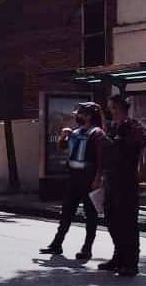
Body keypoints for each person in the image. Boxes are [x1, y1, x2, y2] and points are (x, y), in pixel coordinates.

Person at [40, 102, 105, 260]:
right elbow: (62, 147)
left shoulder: (97, 133)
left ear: (89, 116)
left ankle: (87, 248)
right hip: (74, 175)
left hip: (88, 176)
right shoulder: (75, 132)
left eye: (80, 114)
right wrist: (63, 136)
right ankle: (57, 243)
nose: (77, 116)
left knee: (90, 214)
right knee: (67, 211)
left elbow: (101, 158)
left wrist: (98, 178)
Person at [100, 95, 146, 276]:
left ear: (121, 108)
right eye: (110, 108)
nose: (111, 111)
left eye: (113, 108)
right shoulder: (112, 127)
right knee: (111, 218)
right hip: (111, 180)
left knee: (127, 222)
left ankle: (131, 263)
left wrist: (144, 170)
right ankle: (118, 256)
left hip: (126, 180)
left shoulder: (133, 127)